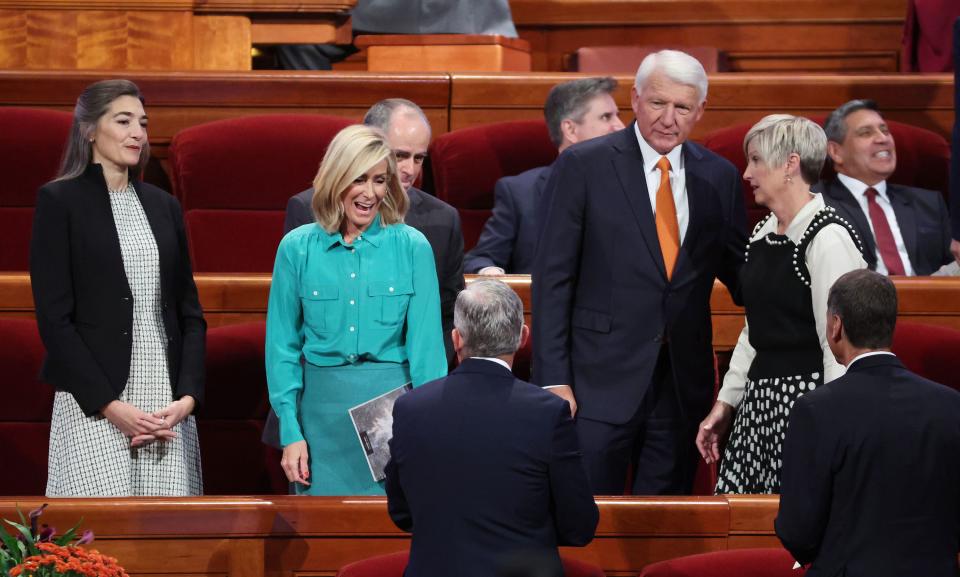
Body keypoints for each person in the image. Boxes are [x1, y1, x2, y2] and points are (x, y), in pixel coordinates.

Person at [532, 49, 748, 495]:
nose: (669, 119)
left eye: (683, 108)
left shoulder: (719, 178)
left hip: (681, 387)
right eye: (658, 103)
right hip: (595, 384)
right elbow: (553, 279)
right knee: (589, 521)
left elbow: (742, 274)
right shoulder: (584, 165)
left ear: (700, 111)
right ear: (635, 98)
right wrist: (554, 379)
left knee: (664, 525)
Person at [29, 79, 205, 497]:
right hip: (95, 400)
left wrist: (187, 399)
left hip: (166, 404)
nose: (138, 134)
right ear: (89, 129)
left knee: (169, 542)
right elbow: (55, 322)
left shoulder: (164, 206)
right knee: (97, 542)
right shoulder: (59, 202)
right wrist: (111, 406)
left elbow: (190, 314)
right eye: (123, 121)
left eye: (142, 124)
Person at [267, 124, 447, 496]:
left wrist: (430, 434)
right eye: (359, 179)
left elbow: (428, 356)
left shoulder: (413, 247)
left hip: (393, 419)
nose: (370, 193)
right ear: (336, 180)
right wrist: (290, 431)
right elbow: (282, 348)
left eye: (380, 181)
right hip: (318, 419)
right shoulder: (296, 248)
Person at [696, 114, 866, 494]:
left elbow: (838, 343)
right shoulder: (761, 233)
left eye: (756, 160)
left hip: (808, 406)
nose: (746, 173)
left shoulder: (829, 237)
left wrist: (833, 422)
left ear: (790, 163)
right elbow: (755, 329)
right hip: (758, 409)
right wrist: (727, 403)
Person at [385, 279, 598, 577]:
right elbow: (579, 526)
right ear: (523, 338)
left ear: (457, 338)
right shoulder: (548, 413)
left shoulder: (410, 408)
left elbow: (401, 512)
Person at [776, 269, 960, 576]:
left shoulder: (817, 410)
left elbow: (798, 532)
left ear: (836, 326)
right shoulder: (952, 405)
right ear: (890, 325)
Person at [285, 99, 463, 363]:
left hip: (410, 379)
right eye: (399, 155)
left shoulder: (444, 220)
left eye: (419, 158)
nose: (409, 169)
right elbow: (294, 319)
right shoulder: (308, 211)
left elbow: (449, 315)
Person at [465, 77, 624, 275]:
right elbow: (481, 258)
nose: (621, 126)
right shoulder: (520, 193)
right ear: (571, 130)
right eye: (606, 117)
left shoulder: (636, 186)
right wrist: (489, 272)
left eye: (618, 116)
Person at [818, 99, 953, 275]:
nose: (883, 139)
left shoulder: (929, 203)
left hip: (929, 299)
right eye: (866, 133)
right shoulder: (815, 202)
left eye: (885, 131)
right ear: (836, 152)